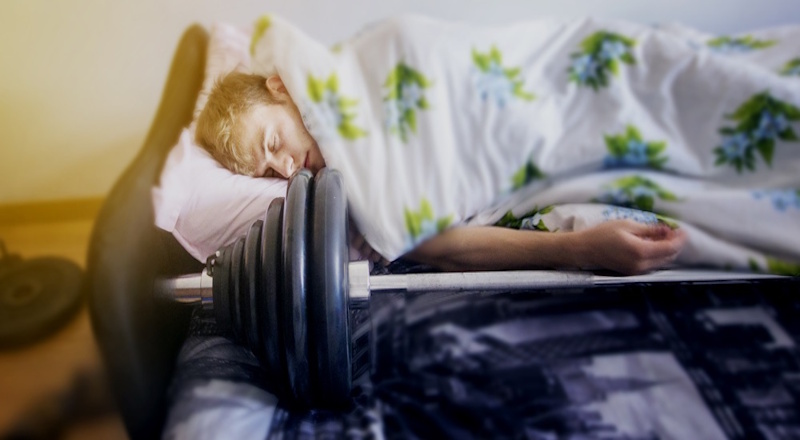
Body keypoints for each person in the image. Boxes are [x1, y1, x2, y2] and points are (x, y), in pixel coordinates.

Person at [195, 71, 687, 276]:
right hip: (520, 198)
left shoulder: (358, 92)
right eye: (268, 170)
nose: (285, 168)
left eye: (274, 143)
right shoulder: (342, 190)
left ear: (280, 86)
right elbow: (444, 246)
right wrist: (581, 249)